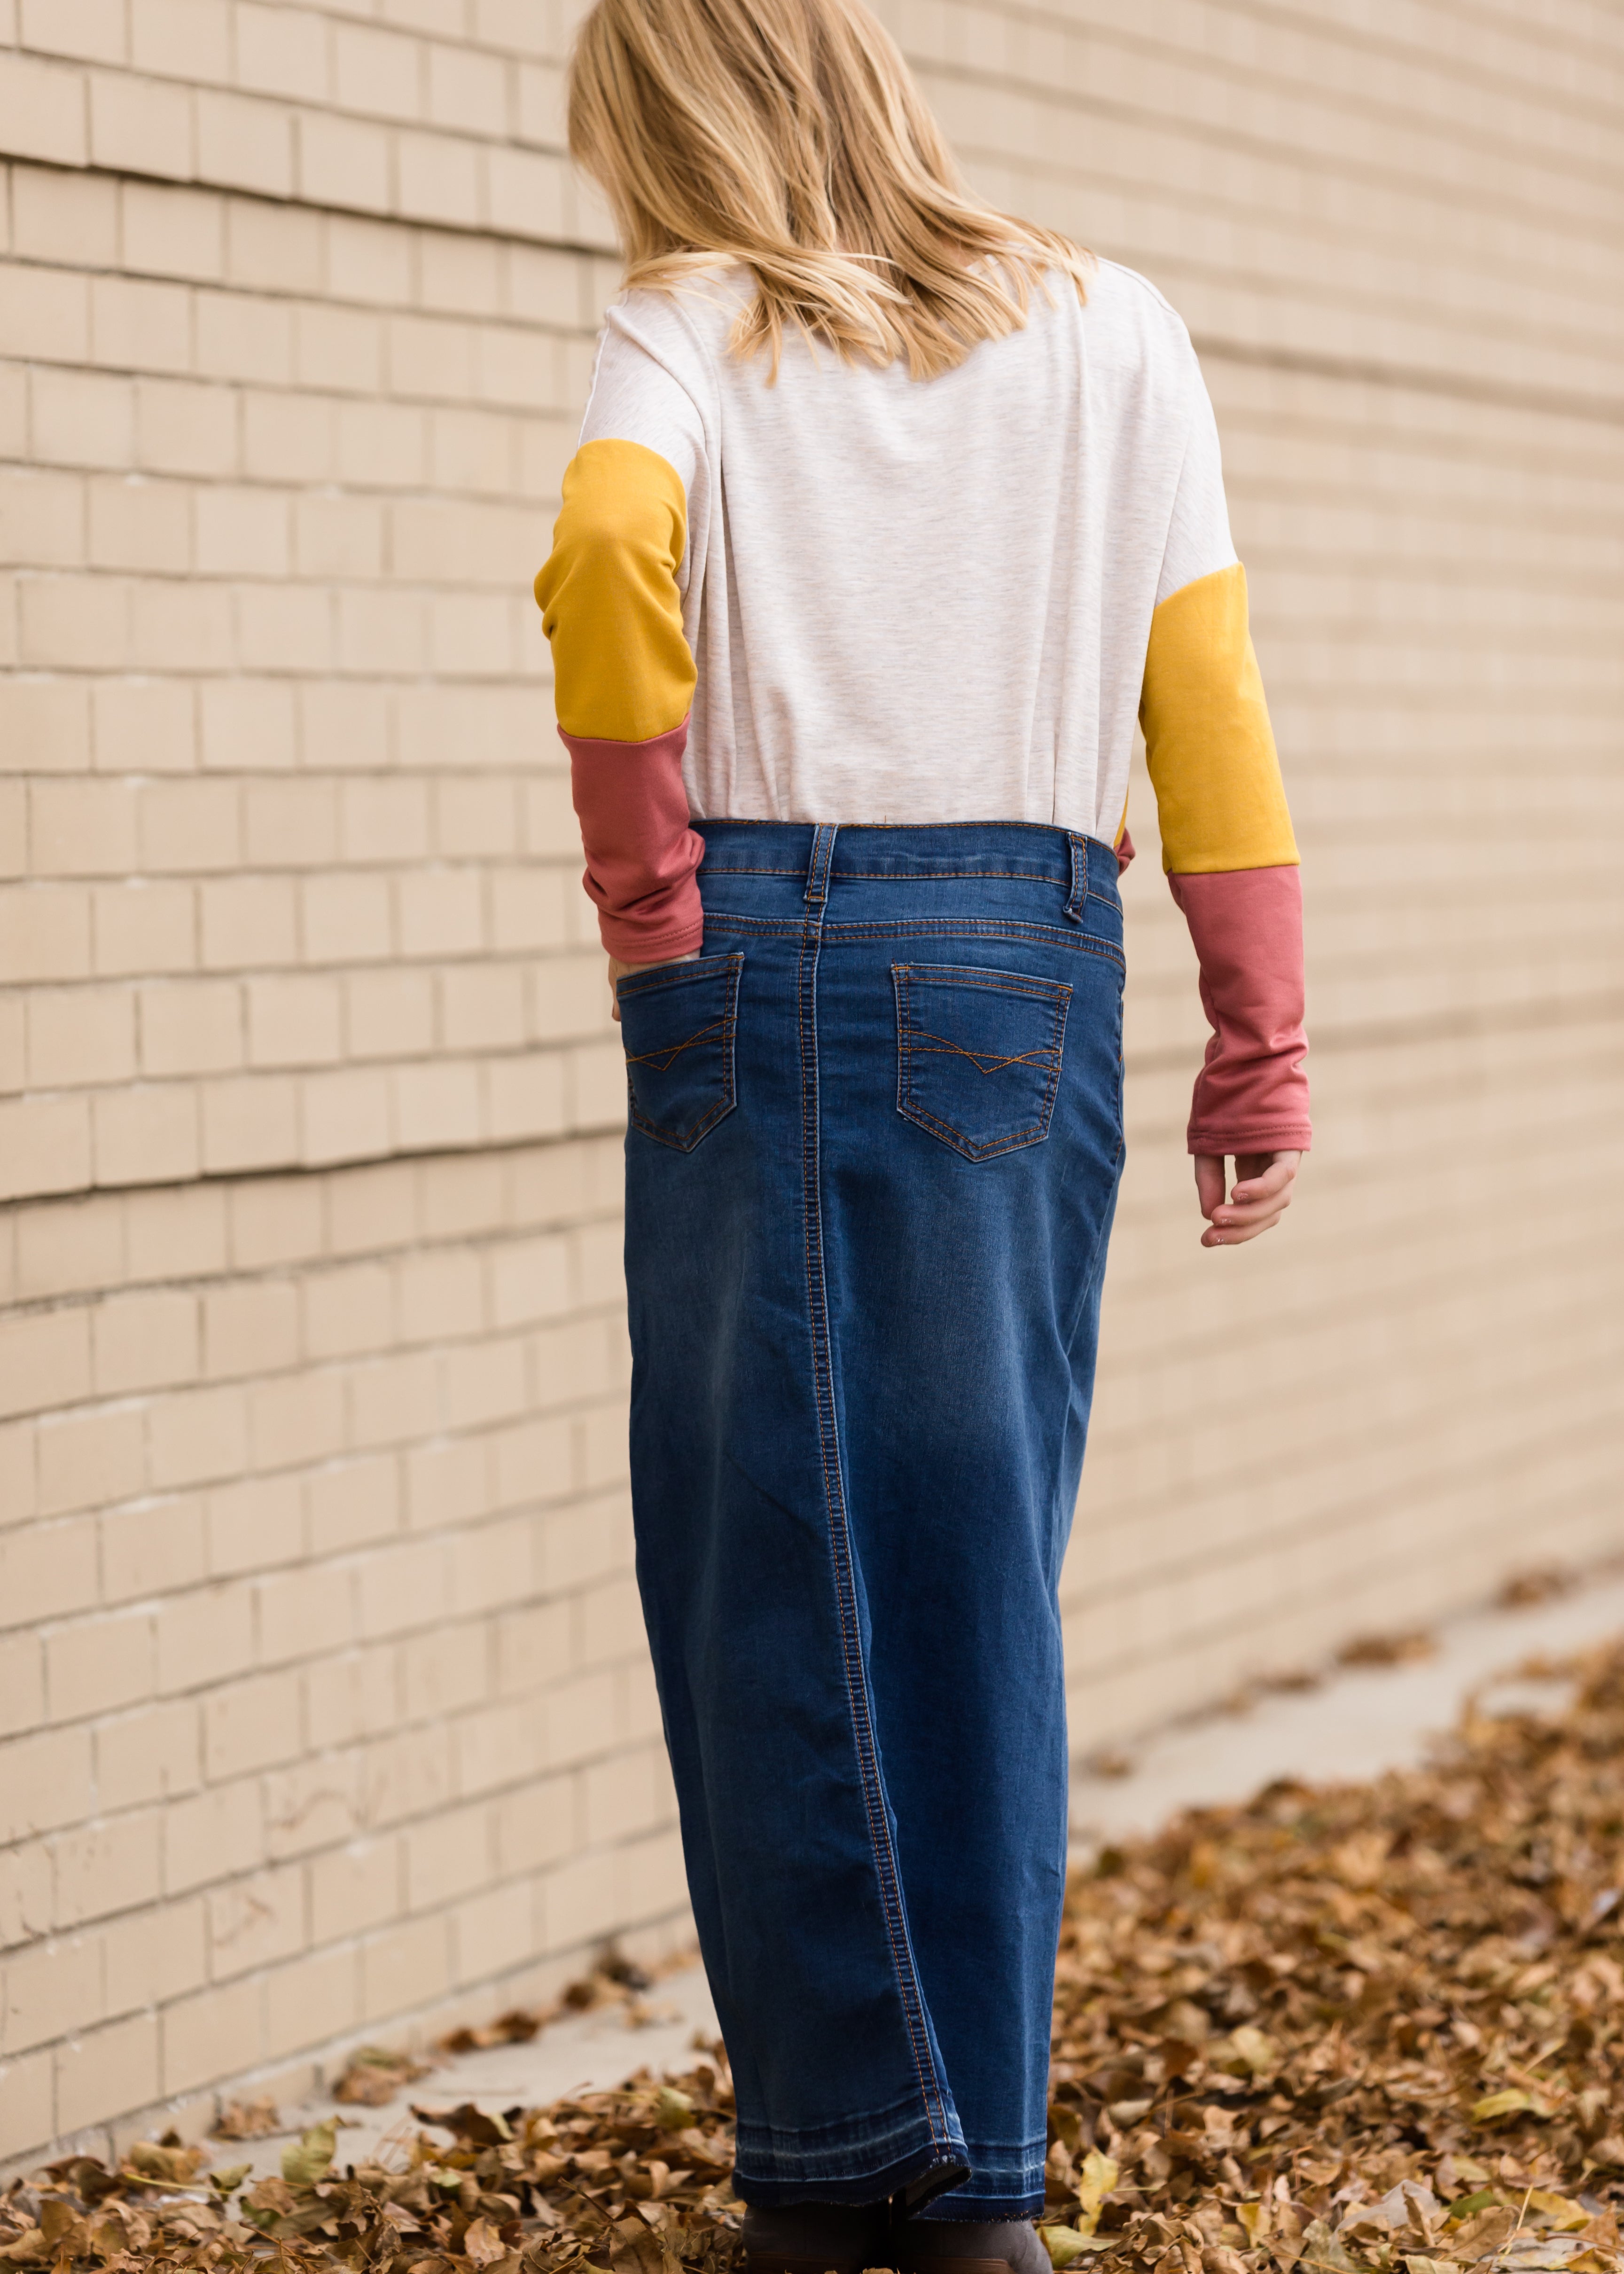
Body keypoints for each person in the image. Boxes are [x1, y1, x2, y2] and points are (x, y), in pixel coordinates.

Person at [533, 0, 1309, 2267]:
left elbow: (603, 554)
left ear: (680, 127)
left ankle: (876, 2182)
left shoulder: (687, 323)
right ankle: (969, 2159)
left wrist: (650, 908)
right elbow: (1212, 699)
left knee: (760, 1543)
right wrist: (1257, 1037)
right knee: (973, 1562)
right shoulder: (1120, 329)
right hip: (1035, 976)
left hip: (774, 950)